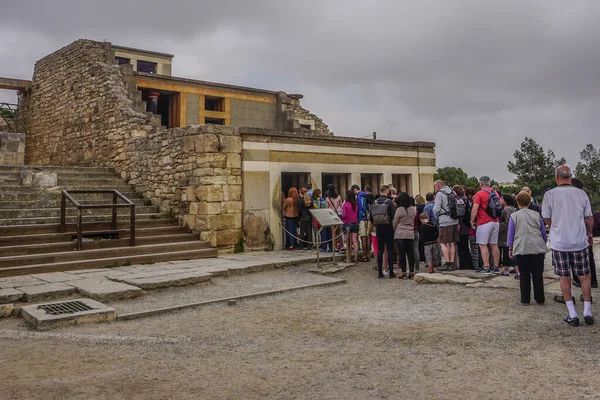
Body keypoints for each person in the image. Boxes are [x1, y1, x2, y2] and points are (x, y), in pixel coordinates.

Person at [542, 165, 594, 326]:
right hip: (579, 240)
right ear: (570, 176)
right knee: (584, 276)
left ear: (556, 176)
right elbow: (588, 218)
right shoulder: (581, 194)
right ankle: (587, 311)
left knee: (565, 277)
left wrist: (556, 226)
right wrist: (589, 233)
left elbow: (547, 219)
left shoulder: (549, 195)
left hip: (560, 242)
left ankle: (572, 314)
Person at [507, 191, 547, 305]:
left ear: (517, 202)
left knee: (524, 274)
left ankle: (525, 299)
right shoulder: (536, 215)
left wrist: (510, 248)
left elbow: (511, 234)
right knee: (538, 274)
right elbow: (543, 231)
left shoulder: (514, 216)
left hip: (522, 246)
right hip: (537, 246)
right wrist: (544, 241)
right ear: (530, 202)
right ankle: (540, 298)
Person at [570, 178, 598, 291]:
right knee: (589, 257)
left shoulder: (576, 199)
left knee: (575, 259)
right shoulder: (585, 198)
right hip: (585, 233)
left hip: (578, 233)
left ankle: (578, 280)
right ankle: (593, 281)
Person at [470, 176, 501, 275]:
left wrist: (471, 220)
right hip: (495, 221)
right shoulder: (495, 193)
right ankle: (496, 267)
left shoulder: (480, 194)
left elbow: (475, 208)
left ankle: (486, 267)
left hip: (484, 221)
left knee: (482, 245)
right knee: (494, 244)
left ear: (481, 183)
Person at [433, 180, 459, 271]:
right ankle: (452, 263)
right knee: (452, 243)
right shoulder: (453, 192)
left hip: (444, 221)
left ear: (438, 186)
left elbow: (436, 209)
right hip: (454, 220)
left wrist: (435, 213)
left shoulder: (440, 194)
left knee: (442, 242)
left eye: (435, 187)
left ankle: (447, 263)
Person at [370, 185, 396, 278]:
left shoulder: (374, 202)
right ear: (387, 191)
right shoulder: (389, 202)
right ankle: (391, 271)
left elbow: (371, 218)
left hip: (378, 228)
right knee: (389, 250)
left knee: (380, 250)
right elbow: (393, 215)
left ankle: (380, 272)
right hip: (388, 227)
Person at [393, 192, 417, 279]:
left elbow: (395, 223)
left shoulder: (399, 210)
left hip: (400, 233)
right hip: (410, 233)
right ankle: (411, 271)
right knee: (410, 254)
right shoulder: (413, 209)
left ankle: (403, 272)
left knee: (402, 254)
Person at [452, 185, 473, 269]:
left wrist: (458, 227)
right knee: (466, 248)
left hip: (462, 227)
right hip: (467, 226)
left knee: (461, 248)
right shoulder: (466, 199)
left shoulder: (459, 200)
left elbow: (460, 215)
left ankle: (464, 265)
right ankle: (468, 265)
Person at [498, 194, 517, 277]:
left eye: (501, 198)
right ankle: (506, 270)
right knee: (506, 254)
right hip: (508, 234)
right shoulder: (513, 209)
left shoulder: (507, 209)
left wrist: (498, 227)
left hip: (506, 234)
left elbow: (508, 222)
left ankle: (518, 271)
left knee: (508, 253)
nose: (500, 199)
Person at [352, 184, 370, 262]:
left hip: (362, 218)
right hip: (368, 218)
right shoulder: (366, 195)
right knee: (367, 237)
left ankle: (364, 255)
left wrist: (358, 219)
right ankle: (368, 254)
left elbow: (360, 209)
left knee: (363, 238)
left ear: (355, 189)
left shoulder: (359, 197)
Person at [342, 190, 360, 263]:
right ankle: (356, 257)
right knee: (355, 241)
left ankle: (348, 257)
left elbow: (344, 215)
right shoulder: (356, 204)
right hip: (355, 224)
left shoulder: (346, 204)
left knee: (348, 241)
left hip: (347, 223)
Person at [325, 185, 344, 252]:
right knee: (338, 231)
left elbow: (327, 208)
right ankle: (341, 246)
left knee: (333, 232)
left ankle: (335, 247)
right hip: (338, 215)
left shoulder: (328, 198)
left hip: (331, 215)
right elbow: (341, 206)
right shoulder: (338, 197)